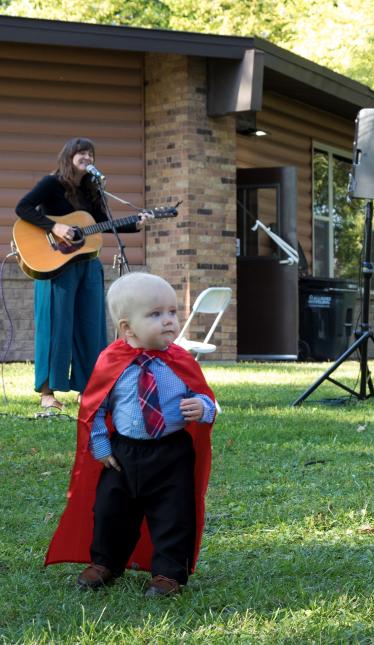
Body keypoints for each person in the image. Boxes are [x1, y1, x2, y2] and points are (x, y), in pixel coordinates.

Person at [45, 272, 217, 597]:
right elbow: (94, 407)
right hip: (123, 453)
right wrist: (100, 445)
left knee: (174, 514)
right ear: (127, 327)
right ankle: (106, 562)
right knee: (110, 511)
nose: (169, 321)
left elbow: (205, 397)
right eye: (155, 314)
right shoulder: (113, 361)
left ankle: (168, 574)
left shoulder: (179, 361)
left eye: (172, 312)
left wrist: (203, 408)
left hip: (171, 452)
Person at [15, 138, 150, 411]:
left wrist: (136, 225)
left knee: (91, 326)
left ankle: (90, 388)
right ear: (69, 156)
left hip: (87, 263)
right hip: (54, 264)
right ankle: (47, 392)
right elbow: (23, 208)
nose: (87, 157)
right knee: (56, 327)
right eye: (82, 152)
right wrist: (55, 227)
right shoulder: (51, 184)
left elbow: (101, 223)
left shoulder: (91, 189)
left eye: (91, 153)